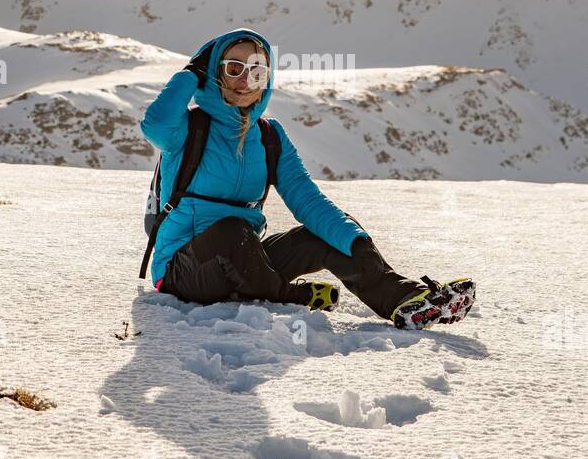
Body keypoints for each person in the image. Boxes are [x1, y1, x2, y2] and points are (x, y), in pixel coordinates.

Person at [140, 27, 476, 330]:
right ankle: (289, 296)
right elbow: (154, 125)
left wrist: (353, 239)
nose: (245, 80)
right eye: (234, 69)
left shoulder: (270, 136)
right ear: (214, 74)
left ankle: (405, 301)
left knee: (323, 233)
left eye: (257, 70)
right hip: (183, 270)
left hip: (247, 262)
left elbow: (307, 199)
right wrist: (189, 74)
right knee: (232, 230)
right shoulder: (188, 128)